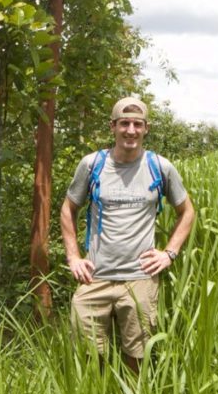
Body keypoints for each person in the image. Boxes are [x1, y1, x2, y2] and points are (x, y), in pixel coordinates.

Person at [60, 96, 196, 372]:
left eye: (137, 124)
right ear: (113, 126)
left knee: (137, 354)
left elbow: (188, 212)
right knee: (87, 355)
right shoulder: (92, 165)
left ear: (146, 128)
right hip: (95, 276)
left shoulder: (160, 167)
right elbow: (68, 208)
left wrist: (169, 253)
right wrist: (73, 257)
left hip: (140, 278)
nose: (130, 130)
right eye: (124, 123)